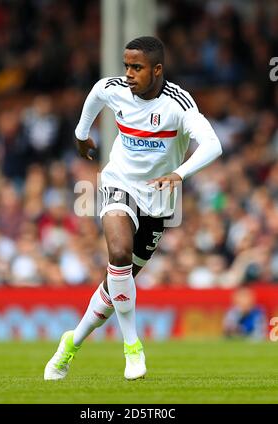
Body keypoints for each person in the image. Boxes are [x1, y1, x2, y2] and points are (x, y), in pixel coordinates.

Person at [44, 36, 222, 381]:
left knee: (115, 288)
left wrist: (179, 173)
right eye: (126, 66)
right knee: (120, 253)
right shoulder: (116, 89)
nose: (128, 74)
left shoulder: (178, 104)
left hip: (157, 203)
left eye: (136, 67)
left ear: (157, 70)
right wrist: (81, 134)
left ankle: (70, 344)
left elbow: (213, 144)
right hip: (118, 184)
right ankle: (132, 347)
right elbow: (97, 93)